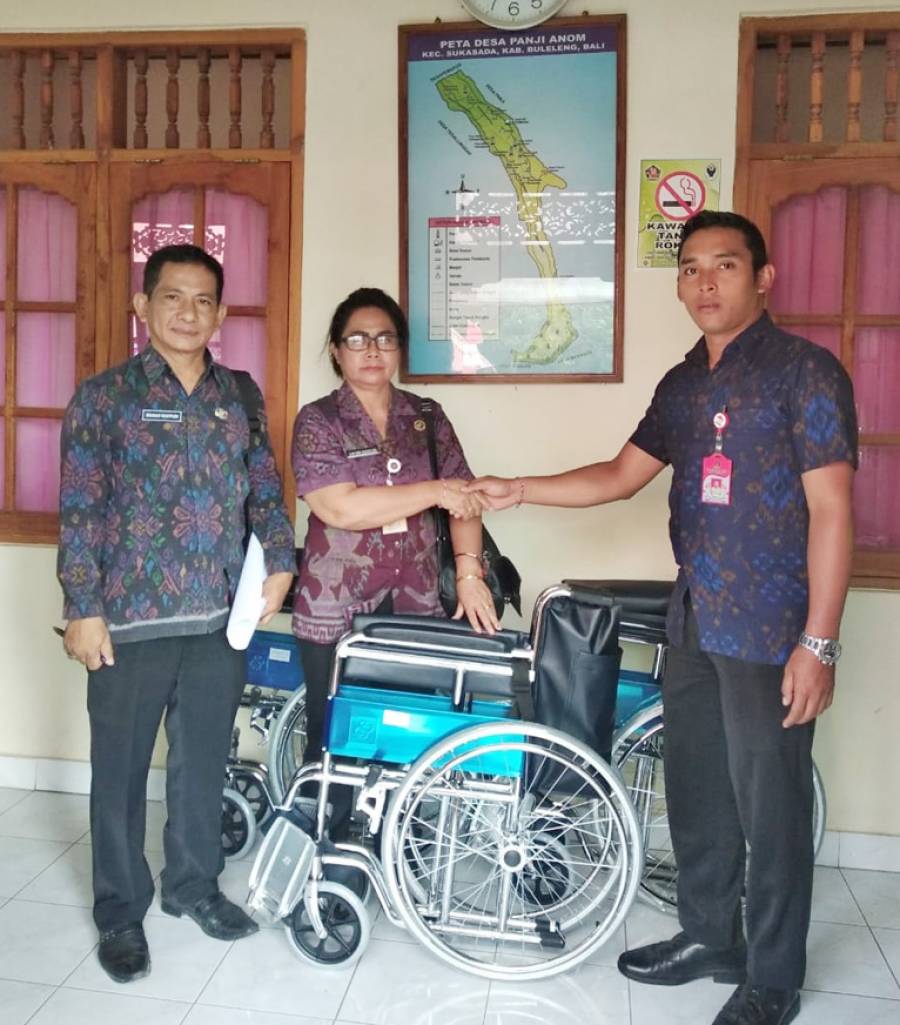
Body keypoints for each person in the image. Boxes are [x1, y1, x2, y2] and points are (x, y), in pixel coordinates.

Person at [466, 211, 857, 1025]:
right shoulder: (683, 384)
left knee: (772, 806)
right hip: (695, 617)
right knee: (699, 790)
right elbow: (619, 474)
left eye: (725, 265)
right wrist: (518, 489)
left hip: (772, 625)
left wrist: (818, 641)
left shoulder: (806, 372)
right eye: (691, 268)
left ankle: (773, 976)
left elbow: (832, 510)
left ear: (764, 277)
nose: (705, 282)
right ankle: (711, 935)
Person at [57, 244, 296, 984]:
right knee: (120, 772)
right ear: (143, 306)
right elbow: (80, 508)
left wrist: (281, 559)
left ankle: (192, 886)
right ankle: (120, 910)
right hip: (129, 621)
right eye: (172, 297)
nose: (188, 313)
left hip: (219, 618)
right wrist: (82, 608)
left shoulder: (240, 395)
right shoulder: (104, 397)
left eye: (203, 300)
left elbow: (265, 487)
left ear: (220, 314)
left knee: (202, 763)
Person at [290, 286, 496, 835]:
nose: (372, 350)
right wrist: (435, 491)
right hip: (333, 605)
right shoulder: (319, 421)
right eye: (357, 339)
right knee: (335, 731)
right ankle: (331, 845)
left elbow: (465, 499)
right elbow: (340, 507)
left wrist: (469, 573)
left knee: (408, 724)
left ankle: (398, 840)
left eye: (385, 338)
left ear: (399, 348)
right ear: (336, 350)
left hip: (417, 600)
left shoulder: (426, 417)